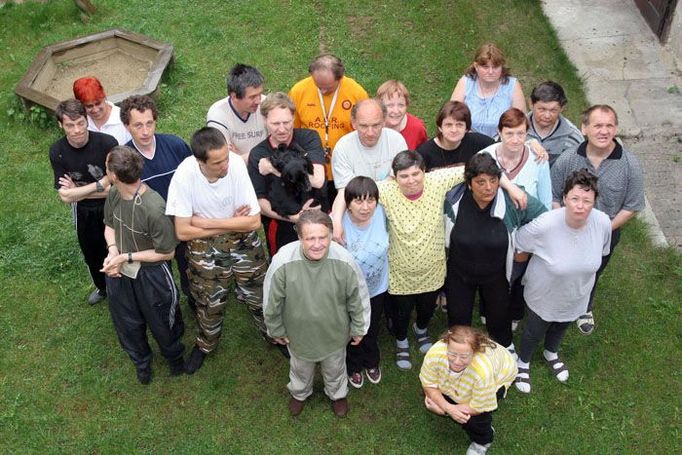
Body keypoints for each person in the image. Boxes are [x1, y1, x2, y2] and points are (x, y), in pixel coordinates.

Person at [166, 127, 272, 374]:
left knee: (260, 293)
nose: (226, 165)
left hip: (243, 241)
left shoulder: (234, 163)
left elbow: (254, 222)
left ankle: (274, 335)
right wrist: (229, 222)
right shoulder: (184, 176)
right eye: (217, 162)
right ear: (200, 161)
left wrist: (204, 222)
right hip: (206, 249)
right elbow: (182, 232)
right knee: (209, 301)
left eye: (226, 157)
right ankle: (205, 344)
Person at [263, 211, 370, 418]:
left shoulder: (344, 260)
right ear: (300, 238)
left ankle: (337, 394)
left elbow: (358, 297)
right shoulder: (283, 261)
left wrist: (359, 327)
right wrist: (275, 329)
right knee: (300, 368)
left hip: (334, 332)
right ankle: (300, 392)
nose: (317, 244)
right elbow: (271, 301)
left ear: (331, 235)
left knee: (335, 368)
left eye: (323, 237)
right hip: (298, 334)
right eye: (310, 238)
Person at [514, 170, 611, 393]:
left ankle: (551, 352)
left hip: (577, 293)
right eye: (575, 198)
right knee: (534, 330)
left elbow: (602, 251)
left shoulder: (603, 222)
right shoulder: (546, 224)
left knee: (562, 325)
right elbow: (519, 240)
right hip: (544, 294)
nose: (580, 205)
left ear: (594, 201)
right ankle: (523, 361)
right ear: (565, 198)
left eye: (587, 200)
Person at [551, 105, 645, 335]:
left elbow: (632, 206)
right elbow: (554, 195)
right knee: (562, 267)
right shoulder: (568, 159)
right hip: (568, 229)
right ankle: (555, 302)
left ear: (616, 128)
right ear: (584, 128)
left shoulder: (630, 165)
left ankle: (584, 307)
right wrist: (564, 224)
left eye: (609, 125)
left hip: (607, 233)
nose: (604, 131)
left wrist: (603, 230)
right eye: (598, 125)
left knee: (593, 270)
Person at [444, 154, 546, 356]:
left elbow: (544, 217)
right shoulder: (452, 199)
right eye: (480, 182)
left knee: (499, 315)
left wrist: (523, 246)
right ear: (469, 184)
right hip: (459, 273)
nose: (488, 187)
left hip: (496, 274)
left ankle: (504, 349)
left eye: (493, 181)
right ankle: (458, 351)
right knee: (458, 315)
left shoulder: (511, 200)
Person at [101, 146, 185, 384]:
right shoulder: (115, 193)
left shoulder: (154, 207)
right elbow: (110, 225)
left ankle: (174, 358)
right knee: (126, 322)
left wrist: (126, 258)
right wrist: (112, 252)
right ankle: (142, 363)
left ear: (114, 175)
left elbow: (167, 253)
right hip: (119, 271)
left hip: (152, 274)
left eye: (106, 167)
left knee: (162, 321)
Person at [120, 95, 195, 310]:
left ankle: (194, 302)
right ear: (127, 126)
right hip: (150, 232)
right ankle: (168, 310)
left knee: (189, 269)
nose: (145, 131)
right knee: (160, 282)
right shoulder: (125, 159)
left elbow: (195, 178)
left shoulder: (175, 145)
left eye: (149, 123)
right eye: (138, 125)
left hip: (182, 223)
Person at [49, 98, 118, 305]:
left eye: (80, 123)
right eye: (70, 125)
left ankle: (124, 285)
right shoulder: (57, 151)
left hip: (112, 206)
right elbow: (64, 196)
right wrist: (100, 185)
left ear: (87, 120)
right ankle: (102, 287)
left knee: (118, 246)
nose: (77, 130)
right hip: (83, 212)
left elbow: (116, 186)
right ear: (61, 125)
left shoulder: (107, 143)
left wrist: (78, 191)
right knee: (91, 251)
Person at [248, 92, 327, 255]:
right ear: (264, 121)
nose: (282, 129)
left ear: (293, 117)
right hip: (281, 223)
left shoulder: (308, 138)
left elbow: (317, 180)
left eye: (287, 122)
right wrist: (295, 218)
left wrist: (273, 169)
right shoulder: (258, 153)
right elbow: (260, 203)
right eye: (275, 123)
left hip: (317, 219)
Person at [420, 325, 517, 455]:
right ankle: (452, 400)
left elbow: (478, 407)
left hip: (499, 376)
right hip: (462, 382)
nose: (457, 362)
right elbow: (429, 384)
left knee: (473, 419)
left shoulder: (482, 372)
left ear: (475, 352)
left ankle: (483, 440)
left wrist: (446, 410)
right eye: (452, 354)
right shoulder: (435, 353)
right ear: (446, 345)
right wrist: (448, 407)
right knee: (436, 398)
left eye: (464, 356)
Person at [289, 53, 369, 196]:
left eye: (328, 87)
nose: (323, 91)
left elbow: (366, 130)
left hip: (346, 169)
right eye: (318, 86)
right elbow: (292, 131)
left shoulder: (356, 93)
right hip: (310, 169)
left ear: (340, 77)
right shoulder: (298, 91)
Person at [341, 176, 389, 388]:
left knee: (371, 327)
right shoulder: (338, 225)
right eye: (358, 201)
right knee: (351, 329)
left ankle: (371, 361)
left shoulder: (382, 213)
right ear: (348, 203)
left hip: (377, 288)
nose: (365, 207)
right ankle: (353, 366)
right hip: (349, 292)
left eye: (370, 200)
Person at [330, 98, 408, 227]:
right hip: (357, 214)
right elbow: (344, 190)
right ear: (354, 123)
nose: (370, 133)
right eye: (364, 126)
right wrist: (337, 223)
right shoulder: (343, 147)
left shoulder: (397, 141)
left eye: (376, 125)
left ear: (384, 121)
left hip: (392, 210)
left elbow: (399, 182)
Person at [479, 108, 552, 209]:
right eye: (509, 134)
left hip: (531, 221)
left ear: (527, 134)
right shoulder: (484, 156)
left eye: (520, 134)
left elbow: (546, 204)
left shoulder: (539, 158)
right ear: (499, 132)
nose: (515, 140)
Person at [450, 43, 526, 138]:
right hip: (469, 139)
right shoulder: (465, 82)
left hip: (502, 140)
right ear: (476, 66)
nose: (490, 72)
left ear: (502, 67)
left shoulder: (512, 85)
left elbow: (520, 120)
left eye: (495, 67)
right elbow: (452, 116)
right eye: (485, 67)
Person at [206, 63, 267, 161]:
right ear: (234, 97)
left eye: (260, 94)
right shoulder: (217, 114)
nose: (258, 101)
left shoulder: (268, 105)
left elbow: (279, 147)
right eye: (252, 97)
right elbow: (224, 161)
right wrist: (263, 152)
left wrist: (240, 158)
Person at [417, 101, 494, 172]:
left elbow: (498, 148)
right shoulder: (424, 153)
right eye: (448, 125)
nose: (454, 130)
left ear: (466, 128)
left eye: (459, 125)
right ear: (440, 127)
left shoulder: (478, 142)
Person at [526, 81, 583, 167]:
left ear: (562, 108)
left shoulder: (573, 138)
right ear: (531, 104)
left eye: (553, 110)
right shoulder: (514, 128)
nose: (547, 116)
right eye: (542, 109)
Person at [72, 77, 132, 145]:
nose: (95, 110)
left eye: (98, 103)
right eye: (89, 106)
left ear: (104, 97)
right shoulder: (80, 122)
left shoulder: (123, 119)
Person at [376, 80, 428, 149]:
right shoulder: (372, 126)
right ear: (380, 106)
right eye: (390, 105)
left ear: (406, 105)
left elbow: (423, 155)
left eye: (401, 105)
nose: (396, 111)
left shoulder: (417, 128)